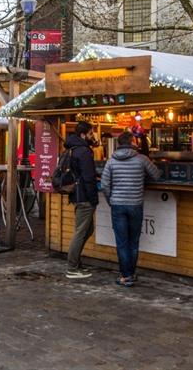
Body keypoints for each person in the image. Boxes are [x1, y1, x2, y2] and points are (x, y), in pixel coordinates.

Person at [101, 131, 162, 287]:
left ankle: (125, 275)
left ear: (119, 143)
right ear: (132, 142)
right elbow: (156, 175)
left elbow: (105, 185)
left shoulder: (111, 161)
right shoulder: (142, 159)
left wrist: (111, 200)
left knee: (122, 242)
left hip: (117, 206)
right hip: (135, 205)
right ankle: (131, 274)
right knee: (133, 242)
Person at [64, 121, 99, 279]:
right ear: (83, 135)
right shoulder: (84, 151)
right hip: (84, 196)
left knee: (87, 229)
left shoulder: (72, 149)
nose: (93, 137)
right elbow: (89, 177)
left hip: (77, 195)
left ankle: (75, 263)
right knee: (81, 231)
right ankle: (72, 267)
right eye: (91, 133)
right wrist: (94, 199)